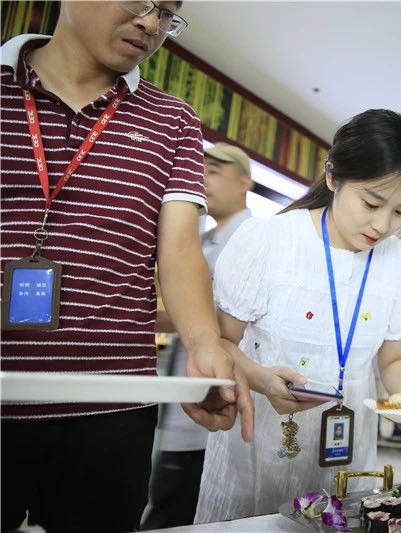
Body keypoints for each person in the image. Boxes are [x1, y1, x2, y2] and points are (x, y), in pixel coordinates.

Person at [0, 3, 253, 532]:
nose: (151, 24)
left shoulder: (172, 120)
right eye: (140, 1)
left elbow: (178, 250)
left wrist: (204, 344)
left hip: (113, 403)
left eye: (168, 13)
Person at [194, 109, 401, 521]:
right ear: (333, 177)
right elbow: (221, 342)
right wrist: (261, 378)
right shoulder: (269, 240)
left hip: (348, 451)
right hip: (258, 442)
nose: (382, 225)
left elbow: (394, 359)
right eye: (371, 203)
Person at [141, 143, 253, 530]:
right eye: (200, 170)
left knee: (176, 515)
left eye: (214, 171)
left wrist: (141, 317)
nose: (203, 179)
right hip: (183, 407)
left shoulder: (248, 240)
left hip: (213, 412)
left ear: (244, 182)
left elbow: (220, 321)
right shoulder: (200, 239)